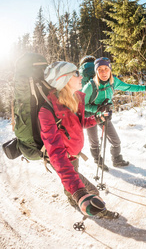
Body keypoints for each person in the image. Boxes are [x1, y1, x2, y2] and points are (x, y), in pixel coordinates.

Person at [38, 61, 114, 218]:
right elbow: (56, 153)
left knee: (73, 177)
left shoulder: (74, 99)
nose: (81, 76)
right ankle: (93, 208)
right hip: (63, 158)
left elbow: (79, 123)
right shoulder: (47, 110)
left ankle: (72, 198)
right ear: (64, 79)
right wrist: (80, 193)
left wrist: (99, 118)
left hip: (74, 154)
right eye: (76, 73)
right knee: (90, 190)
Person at [82, 57, 146, 170]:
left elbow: (128, 87)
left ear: (110, 69)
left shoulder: (113, 82)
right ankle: (98, 160)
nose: (103, 72)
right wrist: (96, 108)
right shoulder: (90, 86)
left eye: (106, 68)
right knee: (94, 142)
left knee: (115, 140)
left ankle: (116, 159)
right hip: (90, 116)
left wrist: (145, 88)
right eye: (100, 69)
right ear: (96, 71)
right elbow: (80, 105)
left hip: (105, 114)